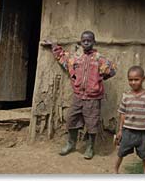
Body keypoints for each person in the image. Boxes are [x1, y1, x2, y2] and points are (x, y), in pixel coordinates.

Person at [41, 30, 116, 159]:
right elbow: (61, 57)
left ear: (94, 42)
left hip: (92, 98)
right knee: (71, 119)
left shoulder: (99, 59)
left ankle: (90, 147)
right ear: (80, 42)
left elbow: (112, 71)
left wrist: (98, 80)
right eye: (84, 41)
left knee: (92, 124)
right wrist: (54, 45)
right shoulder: (75, 58)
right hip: (78, 96)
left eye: (89, 40)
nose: (86, 43)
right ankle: (71, 143)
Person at [114, 66, 145, 174]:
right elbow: (122, 114)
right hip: (128, 131)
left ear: (143, 79)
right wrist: (120, 130)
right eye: (130, 80)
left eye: (136, 79)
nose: (133, 82)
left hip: (143, 133)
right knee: (121, 153)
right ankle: (115, 171)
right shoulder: (126, 96)